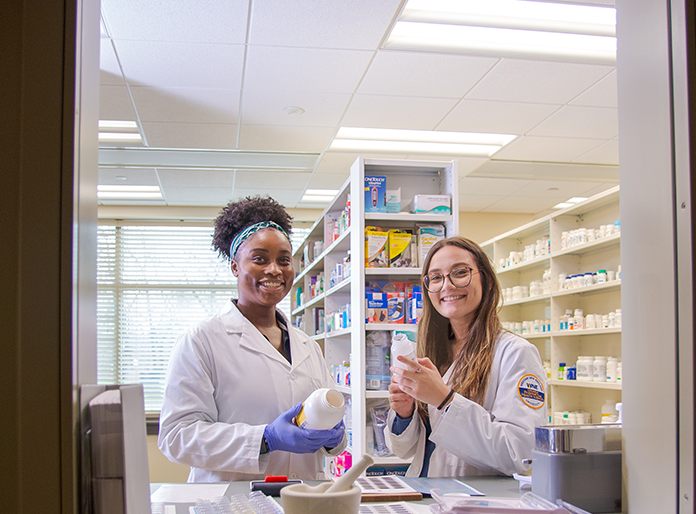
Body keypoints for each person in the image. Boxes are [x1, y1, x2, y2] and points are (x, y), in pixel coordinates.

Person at [158, 195, 346, 482]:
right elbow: (176, 436)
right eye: (259, 259)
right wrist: (265, 439)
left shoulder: (307, 345)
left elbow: (330, 433)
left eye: (284, 260)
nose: (274, 270)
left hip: (305, 502)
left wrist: (335, 437)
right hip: (231, 504)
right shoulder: (201, 341)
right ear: (235, 266)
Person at [385, 237, 546, 477]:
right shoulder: (433, 351)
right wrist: (404, 413)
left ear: (488, 281)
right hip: (427, 496)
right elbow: (405, 450)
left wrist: (443, 399)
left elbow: (521, 453)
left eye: (460, 272)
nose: (447, 286)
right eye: (436, 277)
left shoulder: (515, 353)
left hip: (476, 505)